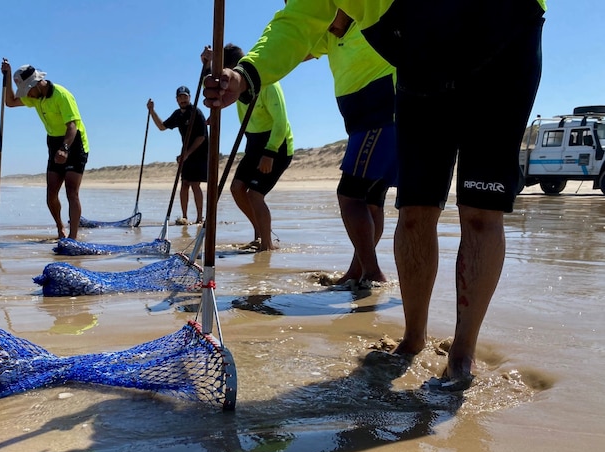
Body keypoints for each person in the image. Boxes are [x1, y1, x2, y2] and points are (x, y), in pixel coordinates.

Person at [202, 0, 546, 390]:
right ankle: (413, 338)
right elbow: (298, 23)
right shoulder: (333, 31)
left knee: (481, 210)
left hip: (504, 26)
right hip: (419, 49)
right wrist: (245, 72)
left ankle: (462, 355)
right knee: (415, 209)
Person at [307, 9, 397, 284]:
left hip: (383, 118)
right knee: (371, 202)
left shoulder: (369, 20)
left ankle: (372, 272)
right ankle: (358, 271)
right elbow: (294, 50)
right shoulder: (328, 37)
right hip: (364, 124)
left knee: (349, 196)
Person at [202, 44, 294, 252]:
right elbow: (217, 89)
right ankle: (261, 234)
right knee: (237, 188)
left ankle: (267, 247)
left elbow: (281, 122)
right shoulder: (237, 86)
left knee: (255, 194)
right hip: (253, 143)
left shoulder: (268, 84)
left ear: (236, 67)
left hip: (277, 144)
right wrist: (207, 64)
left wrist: (270, 153)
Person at [1, 60, 89, 239]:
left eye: (27, 91)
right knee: (51, 194)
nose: (27, 96)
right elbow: (9, 102)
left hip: (74, 141)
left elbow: (72, 126)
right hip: (53, 142)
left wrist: (65, 149)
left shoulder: (62, 95)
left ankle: (72, 238)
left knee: (72, 192)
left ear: (36, 84)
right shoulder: (36, 98)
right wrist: (7, 75)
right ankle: (60, 228)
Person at [147, 86, 209, 225]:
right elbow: (162, 127)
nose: (183, 99)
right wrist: (152, 111)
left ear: (190, 97)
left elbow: (201, 137)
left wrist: (186, 154)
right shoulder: (177, 114)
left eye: (185, 97)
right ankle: (185, 216)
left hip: (200, 152)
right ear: (176, 100)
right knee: (185, 183)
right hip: (186, 153)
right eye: (180, 97)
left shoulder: (196, 113)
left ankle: (200, 217)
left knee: (194, 184)